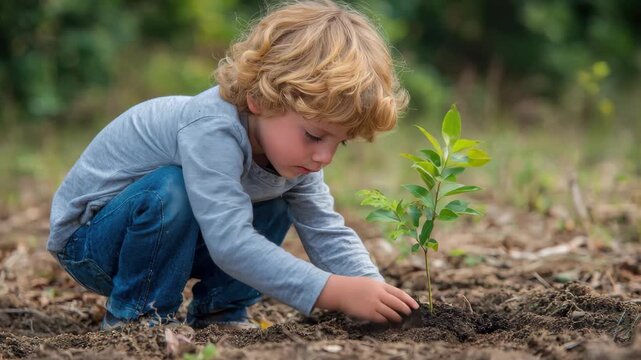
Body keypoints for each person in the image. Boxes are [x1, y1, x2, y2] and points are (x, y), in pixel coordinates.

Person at [47, 0, 418, 330]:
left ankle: (220, 314)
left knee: (274, 200)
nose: (325, 158)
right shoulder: (211, 128)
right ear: (259, 100)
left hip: (175, 241)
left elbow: (324, 229)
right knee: (171, 188)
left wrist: (374, 289)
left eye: (341, 142)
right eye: (314, 136)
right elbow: (230, 244)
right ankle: (136, 317)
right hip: (93, 243)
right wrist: (331, 291)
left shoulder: (292, 159)